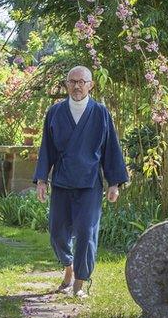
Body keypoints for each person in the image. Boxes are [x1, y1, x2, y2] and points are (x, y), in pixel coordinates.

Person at [33, 66, 129, 297]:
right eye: (72, 81)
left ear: (90, 85)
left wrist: (114, 183)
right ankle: (69, 267)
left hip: (90, 184)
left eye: (82, 82)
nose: (77, 86)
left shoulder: (101, 112)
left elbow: (110, 149)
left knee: (86, 232)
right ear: (66, 84)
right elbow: (46, 147)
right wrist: (42, 180)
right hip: (62, 181)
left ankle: (80, 283)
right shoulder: (55, 112)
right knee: (57, 232)